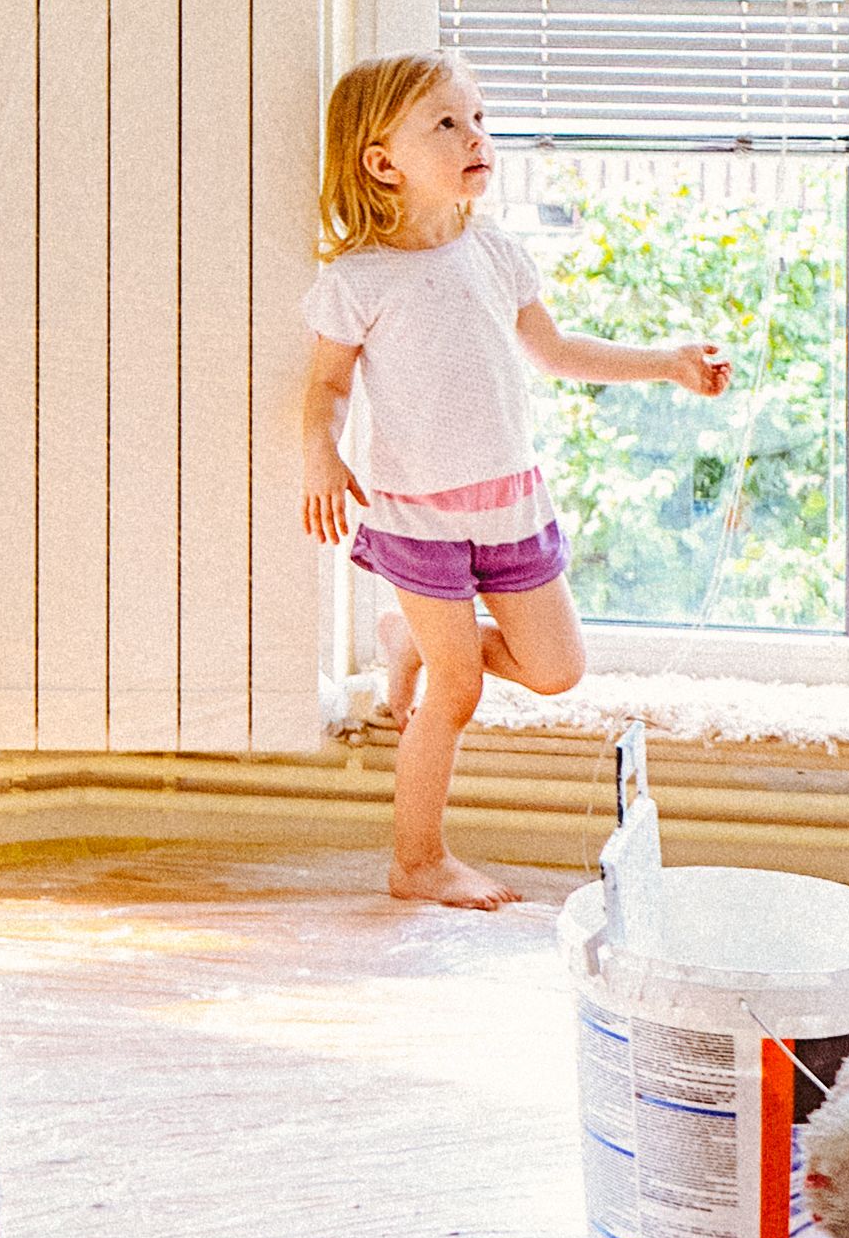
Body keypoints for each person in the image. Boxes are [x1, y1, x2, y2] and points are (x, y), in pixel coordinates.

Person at [289, 54, 732, 909]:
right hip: (419, 519)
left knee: (556, 667)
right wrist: (321, 453)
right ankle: (417, 861)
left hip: (510, 505)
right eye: (447, 124)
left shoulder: (495, 252)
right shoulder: (357, 280)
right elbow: (327, 386)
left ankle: (414, 638)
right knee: (458, 692)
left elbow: (559, 352)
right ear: (383, 162)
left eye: (480, 118)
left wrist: (667, 364)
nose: (477, 136)